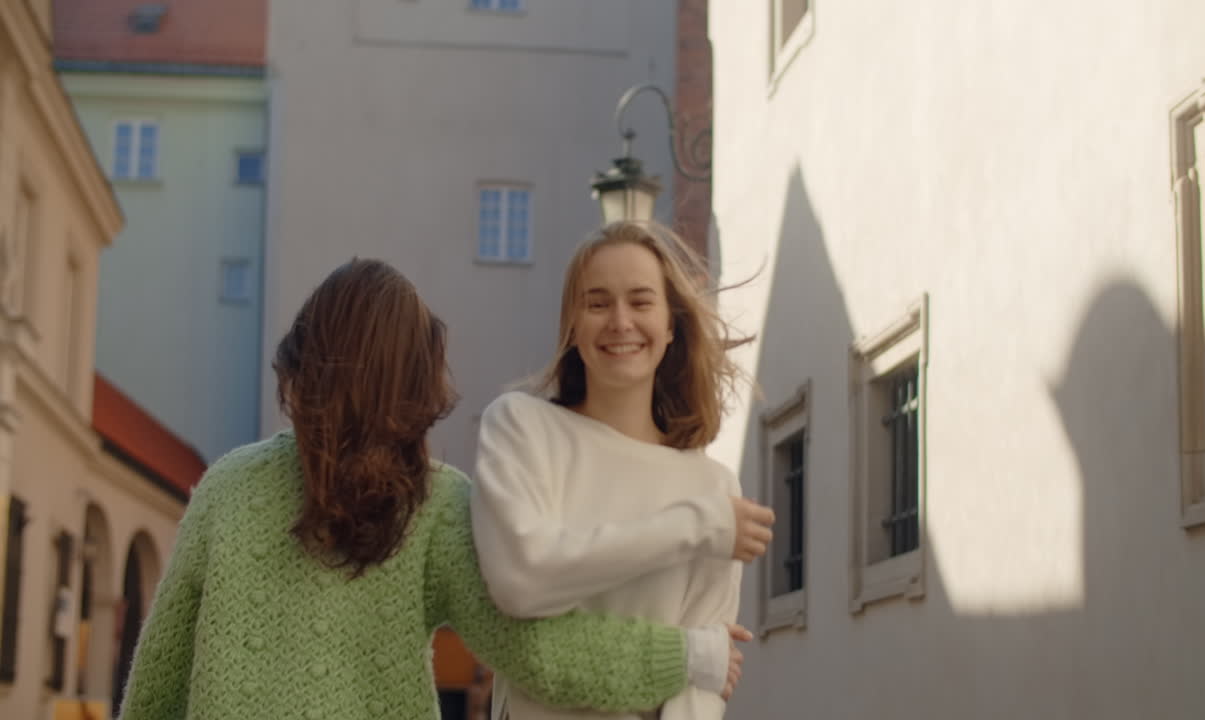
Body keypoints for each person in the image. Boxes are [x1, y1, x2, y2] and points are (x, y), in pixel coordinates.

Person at [115, 259, 742, 720]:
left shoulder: (227, 486)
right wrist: (691, 658)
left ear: (299, 361)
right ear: (420, 379)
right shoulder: (439, 505)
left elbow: (157, 685)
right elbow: (537, 654)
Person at [471, 221, 775, 720]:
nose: (620, 322)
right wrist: (697, 527)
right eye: (597, 303)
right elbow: (521, 581)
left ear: (671, 324)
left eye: (640, 301)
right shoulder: (520, 427)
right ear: (572, 324)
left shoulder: (714, 488)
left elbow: (700, 684)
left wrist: (709, 524)